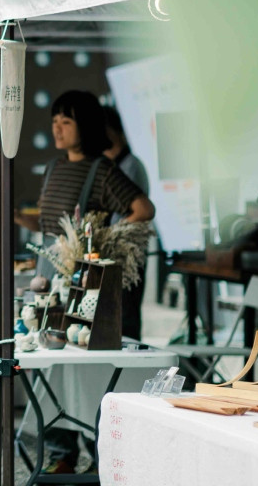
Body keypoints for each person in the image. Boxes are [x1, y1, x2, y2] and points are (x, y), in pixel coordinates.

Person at [34, 91, 154, 475]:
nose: (57, 127)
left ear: (85, 126)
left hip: (83, 285)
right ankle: (61, 452)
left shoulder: (101, 170)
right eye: (55, 120)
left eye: (66, 121)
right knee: (55, 368)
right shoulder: (53, 167)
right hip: (51, 279)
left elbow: (143, 209)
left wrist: (108, 242)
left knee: (86, 370)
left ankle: (98, 453)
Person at [103, 104, 152, 341]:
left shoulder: (130, 165)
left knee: (127, 321)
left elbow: (139, 213)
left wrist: (109, 235)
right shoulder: (111, 165)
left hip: (128, 259)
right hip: (115, 259)